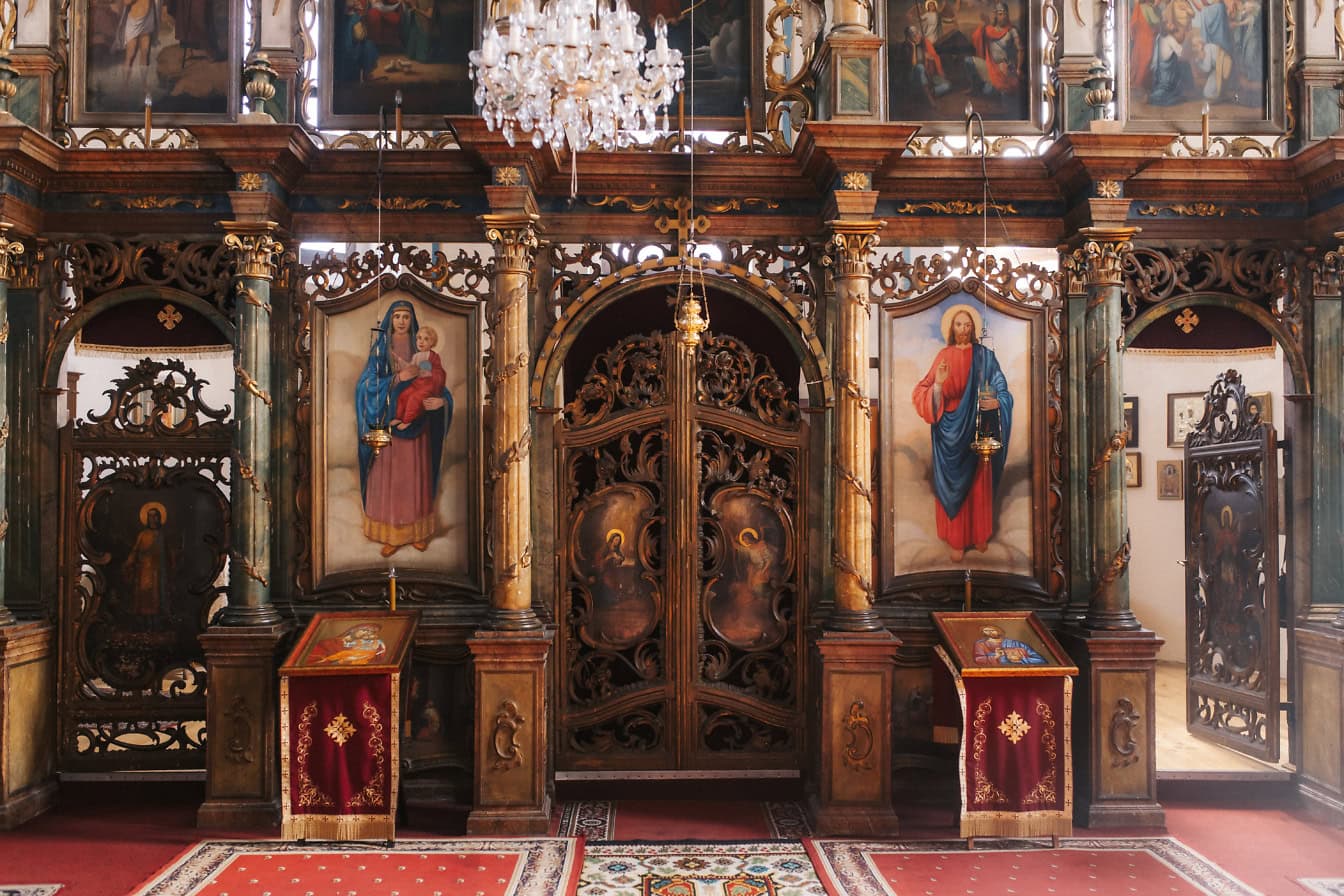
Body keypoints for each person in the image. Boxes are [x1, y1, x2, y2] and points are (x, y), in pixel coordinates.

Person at [910, 304, 1013, 562]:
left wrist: (998, 401)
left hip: (978, 426)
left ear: (974, 328)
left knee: (979, 482)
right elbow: (922, 390)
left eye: (968, 325)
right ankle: (956, 539)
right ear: (951, 328)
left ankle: (979, 535)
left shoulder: (985, 357)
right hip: (948, 431)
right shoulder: (944, 355)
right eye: (959, 324)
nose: (964, 330)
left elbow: (1001, 385)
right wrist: (939, 384)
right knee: (953, 485)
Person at [356, 300, 453, 558]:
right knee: (394, 478)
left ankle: (416, 533)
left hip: (418, 426)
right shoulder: (382, 349)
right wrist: (398, 378)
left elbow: (438, 384)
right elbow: (365, 386)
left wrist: (442, 401)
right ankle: (391, 534)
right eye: (397, 316)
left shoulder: (422, 348)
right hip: (390, 425)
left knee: (413, 476)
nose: (401, 321)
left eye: (406, 317)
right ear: (390, 319)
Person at [390, 325, 445, 430]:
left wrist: (427, 371)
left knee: (413, 398)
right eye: (419, 338)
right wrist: (399, 361)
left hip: (428, 386)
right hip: (418, 384)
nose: (421, 341)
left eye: (426, 339)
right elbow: (410, 368)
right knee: (403, 395)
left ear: (432, 343)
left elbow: (439, 373)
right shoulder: (416, 356)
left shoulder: (433, 356)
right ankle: (399, 417)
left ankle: (407, 421)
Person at [965, 2, 1023, 98]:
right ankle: (975, 87)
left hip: (1004, 69)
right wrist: (984, 24)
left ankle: (994, 87)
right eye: (1000, 14)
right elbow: (976, 37)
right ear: (996, 15)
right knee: (968, 60)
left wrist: (1018, 68)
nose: (1003, 16)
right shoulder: (989, 30)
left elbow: (1020, 50)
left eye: (1005, 14)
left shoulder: (1012, 31)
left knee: (987, 91)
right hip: (989, 66)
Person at [123, 502, 170, 619]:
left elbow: (168, 554)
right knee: (145, 597)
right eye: (150, 516)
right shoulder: (143, 535)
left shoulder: (162, 535)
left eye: (155, 516)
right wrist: (128, 563)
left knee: (158, 596)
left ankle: (157, 622)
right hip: (144, 571)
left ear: (159, 518)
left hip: (159, 571)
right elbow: (135, 551)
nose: (153, 519)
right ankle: (144, 622)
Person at [892, 24, 951, 110]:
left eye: (918, 32)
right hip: (912, 78)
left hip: (927, 76)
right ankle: (929, 98)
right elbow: (913, 64)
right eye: (914, 34)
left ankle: (927, 94)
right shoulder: (905, 47)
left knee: (947, 85)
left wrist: (930, 57)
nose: (918, 35)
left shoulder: (923, 44)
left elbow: (933, 57)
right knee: (919, 67)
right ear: (908, 37)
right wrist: (913, 47)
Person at [116, 0, 159, 81]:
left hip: (147, 19)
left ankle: (144, 85)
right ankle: (125, 86)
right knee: (130, 54)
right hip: (134, 20)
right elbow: (126, 2)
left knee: (145, 52)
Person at [308, 622, 387, 665]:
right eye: (365, 630)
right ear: (353, 630)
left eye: (371, 632)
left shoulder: (365, 645)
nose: (367, 634)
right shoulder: (329, 643)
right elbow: (312, 661)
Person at [973, 624, 1046, 665]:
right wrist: (995, 657)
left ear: (998, 631)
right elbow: (978, 660)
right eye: (986, 631)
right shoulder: (981, 644)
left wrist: (1021, 660)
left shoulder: (1015, 643)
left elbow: (1040, 660)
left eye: (992, 630)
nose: (990, 632)